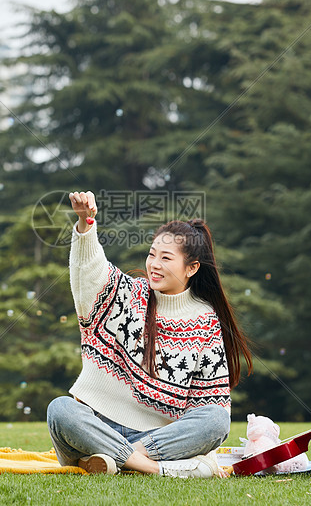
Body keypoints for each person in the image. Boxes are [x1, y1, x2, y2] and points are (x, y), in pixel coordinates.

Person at [47, 191, 254, 478]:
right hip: (97, 427)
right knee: (61, 410)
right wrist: (85, 223)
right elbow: (89, 272)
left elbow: (209, 407)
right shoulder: (129, 294)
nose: (154, 264)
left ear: (192, 267)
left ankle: (116, 460)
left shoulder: (205, 319)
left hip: (156, 441)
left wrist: (152, 447)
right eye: (152, 254)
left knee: (217, 418)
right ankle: (149, 468)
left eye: (166, 257)